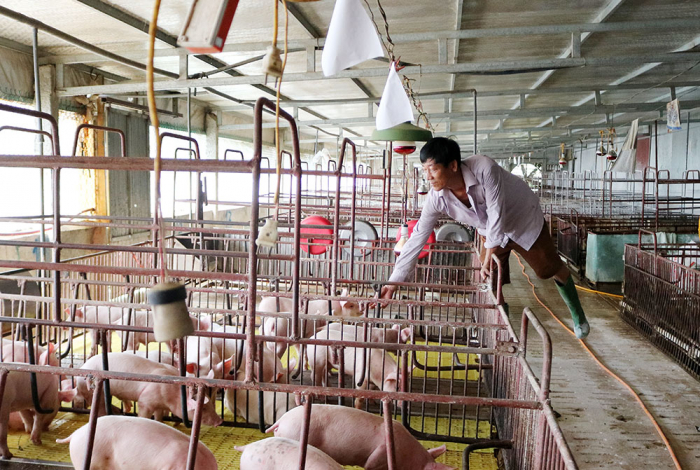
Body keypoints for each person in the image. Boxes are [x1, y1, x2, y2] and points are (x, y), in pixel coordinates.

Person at [378, 137, 590, 339]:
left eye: (432, 169)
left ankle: (578, 314)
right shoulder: (436, 198)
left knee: (547, 270)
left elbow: (496, 213)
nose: (428, 177)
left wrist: (489, 254)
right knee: (489, 279)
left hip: (522, 219)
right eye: (425, 170)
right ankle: (503, 327)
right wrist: (394, 281)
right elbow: (417, 238)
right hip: (488, 230)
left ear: (453, 166)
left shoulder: (484, 168)